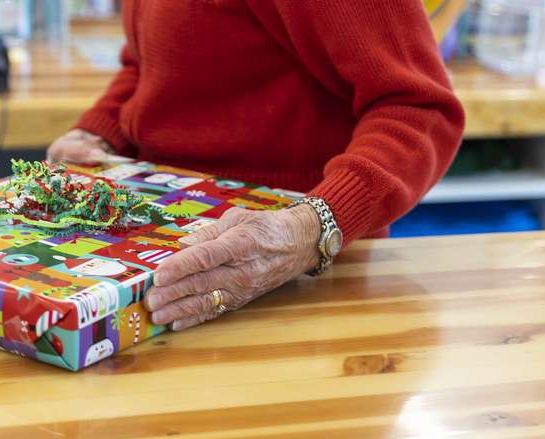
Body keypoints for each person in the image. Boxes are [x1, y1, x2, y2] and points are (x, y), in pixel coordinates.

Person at [48, 0, 465, 331]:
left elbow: (418, 108)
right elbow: (146, 63)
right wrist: (98, 133)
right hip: (164, 246)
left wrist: (311, 228)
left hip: (295, 290)